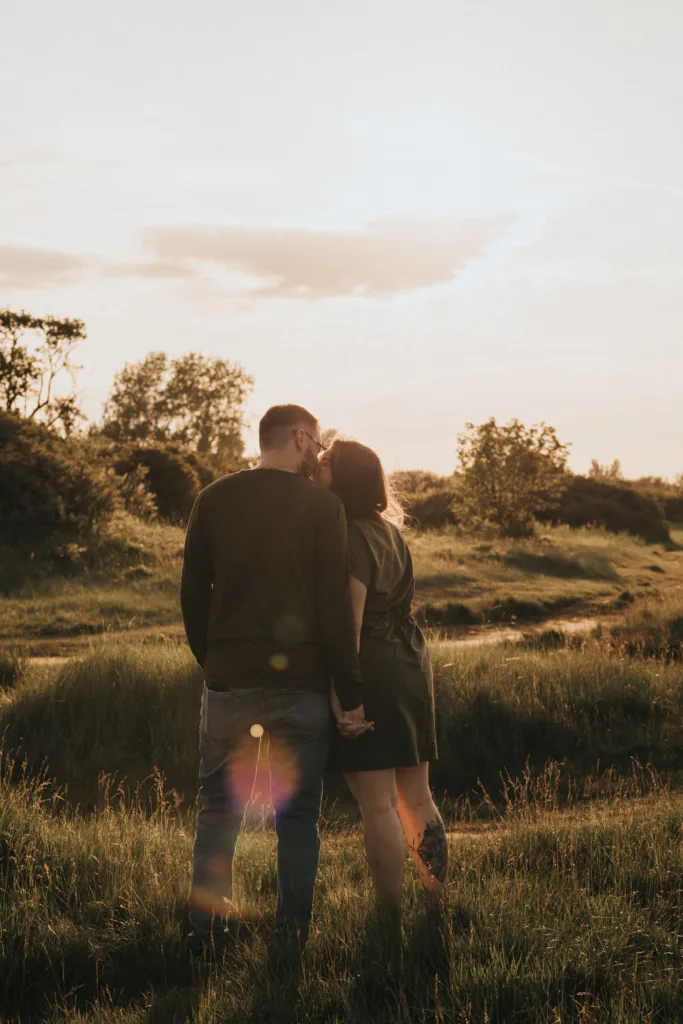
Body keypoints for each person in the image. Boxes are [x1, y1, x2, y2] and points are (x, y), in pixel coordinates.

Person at [180, 404, 370, 950]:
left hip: (229, 682)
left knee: (219, 810)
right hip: (303, 688)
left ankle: (204, 936)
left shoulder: (212, 499)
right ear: (297, 437)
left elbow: (194, 593)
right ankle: (290, 940)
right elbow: (335, 606)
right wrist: (349, 690)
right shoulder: (320, 506)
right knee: (298, 817)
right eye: (315, 442)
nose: (318, 452)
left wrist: (211, 660)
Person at [317, 438, 448, 908]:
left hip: (373, 668)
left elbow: (350, 626)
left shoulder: (349, 534)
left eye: (326, 460)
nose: (318, 464)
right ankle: (435, 900)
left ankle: (388, 913)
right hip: (411, 662)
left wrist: (347, 699)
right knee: (417, 796)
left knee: (377, 805)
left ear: (344, 476)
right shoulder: (391, 532)